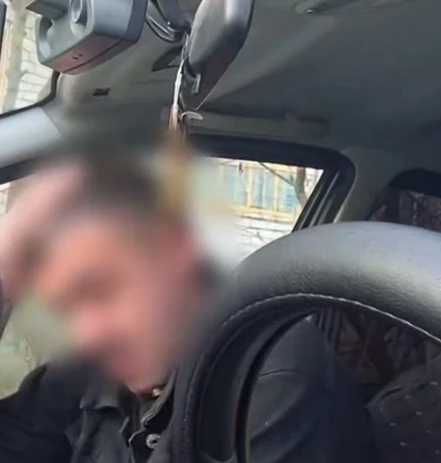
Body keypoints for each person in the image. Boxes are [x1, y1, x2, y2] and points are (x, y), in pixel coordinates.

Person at [0, 154, 375, 463]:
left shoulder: (267, 374)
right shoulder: (91, 366)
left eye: (101, 289)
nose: (88, 333)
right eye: (64, 308)